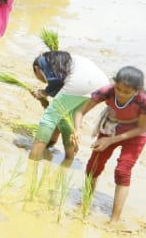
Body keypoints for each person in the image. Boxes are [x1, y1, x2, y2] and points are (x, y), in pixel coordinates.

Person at [72, 66, 146, 224]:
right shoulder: (106, 91)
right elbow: (80, 112)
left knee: (122, 171)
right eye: (118, 89)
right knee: (93, 166)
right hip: (111, 126)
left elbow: (142, 128)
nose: (120, 94)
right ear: (115, 84)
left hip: (135, 134)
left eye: (127, 92)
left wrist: (111, 140)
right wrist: (77, 130)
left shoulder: (142, 101)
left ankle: (114, 219)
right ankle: (85, 203)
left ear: (137, 91)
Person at [25, 50, 109, 165]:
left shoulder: (42, 61)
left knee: (50, 116)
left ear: (37, 68)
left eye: (37, 75)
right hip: (102, 84)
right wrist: (45, 93)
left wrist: (44, 92)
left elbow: (56, 83)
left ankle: (34, 156)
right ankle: (69, 159)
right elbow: (62, 92)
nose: (41, 79)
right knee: (67, 118)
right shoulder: (59, 62)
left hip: (83, 81)